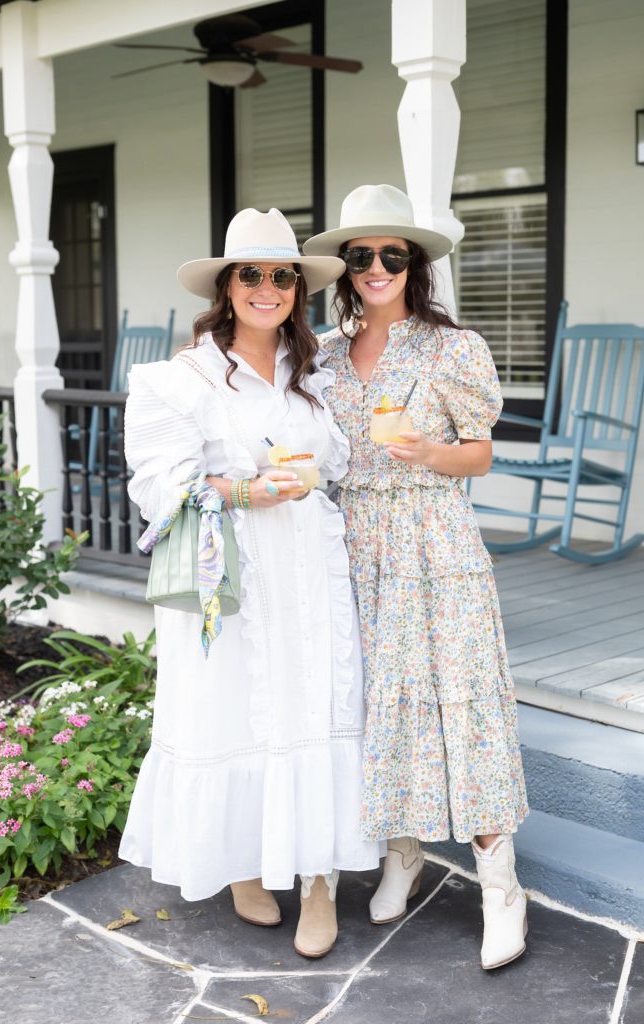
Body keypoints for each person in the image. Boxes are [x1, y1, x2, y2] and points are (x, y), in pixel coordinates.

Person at [120, 207, 381, 959]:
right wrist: (243, 492)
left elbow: (333, 467)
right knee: (238, 709)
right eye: (251, 275)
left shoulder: (314, 374)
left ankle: (320, 881)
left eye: (281, 276)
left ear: (296, 288)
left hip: (307, 565)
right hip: (228, 574)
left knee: (318, 706)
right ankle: (242, 864)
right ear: (226, 287)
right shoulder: (179, 379)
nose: (266, 288)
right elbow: (155, 490)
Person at [303, 184, 529, 970]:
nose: (373, 267)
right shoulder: (324, 356)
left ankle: (500, 885)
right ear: (344, 269)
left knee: (462, 699)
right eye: (359, 255)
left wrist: (430, 455)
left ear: (413, 263)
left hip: (433, 536)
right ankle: (403, 850)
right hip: (353, 541)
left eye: (389, 254)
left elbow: (480, 452)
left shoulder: (451, 348)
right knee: (376, 700)